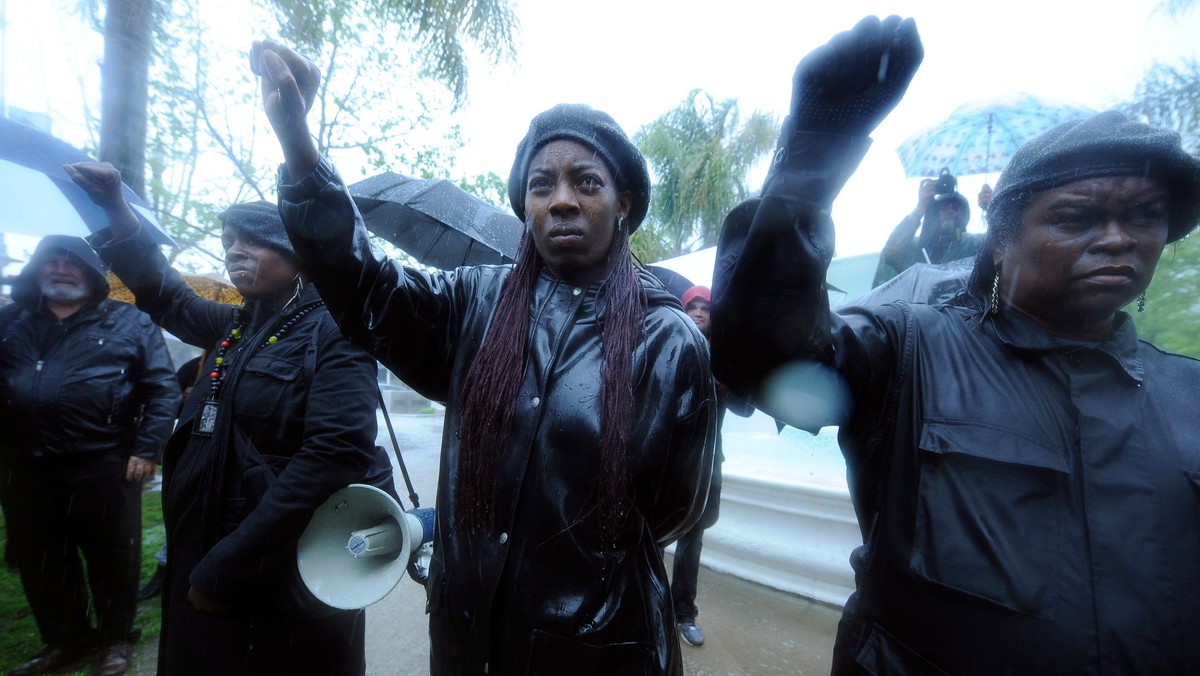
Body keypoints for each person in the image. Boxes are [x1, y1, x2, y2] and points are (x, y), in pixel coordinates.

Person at [712, 15, 1200, 675]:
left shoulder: (1188, 394)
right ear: (999, 239)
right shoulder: (913, 349)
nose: (1118, 239)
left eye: (1143, 215)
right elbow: (764, 362)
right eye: (1076, 216)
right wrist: (812, 156)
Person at [252, 39, 717, 674]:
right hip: (467, 638)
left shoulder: (667, 342)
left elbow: (675, 510)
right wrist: (299, 149)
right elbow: (365, 286)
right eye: (542, 184)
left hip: (597, 649)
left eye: (587, 182)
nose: (561, 200)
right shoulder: (474, 304)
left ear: (623, 203)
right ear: (524, 206)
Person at [64, 162, 393, 676]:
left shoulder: (334, 331)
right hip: (205, 546)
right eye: (227, 241)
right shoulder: (237, 326)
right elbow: (165, 295)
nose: (234, 250)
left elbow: (335, 454)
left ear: (298, 254)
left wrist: (229, 565)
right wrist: (114, 207)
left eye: (253, 241)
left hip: (276, 562)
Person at [0, 235, 180, 676]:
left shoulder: (129, 322)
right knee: (42, 560)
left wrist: (147, 447)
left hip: (103, 462)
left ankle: (115, 640)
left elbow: (163, 389)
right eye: (51, 260)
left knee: (113, 557)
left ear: (93, 274)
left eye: (73, 262)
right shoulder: (9, 320)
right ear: (37, 269)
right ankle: (67, 639)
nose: (61, 268)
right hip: (24, 464)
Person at [670, 285, 752, 648]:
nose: (700, 312)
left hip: (705, 466)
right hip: (667, 460)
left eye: (706, 308)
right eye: (694, 306)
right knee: (646, 533)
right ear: (684, 309)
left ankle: (683, 613)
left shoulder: (726, 359)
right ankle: (644, 602)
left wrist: (734, 372)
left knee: (693, 539)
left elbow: (746, 408)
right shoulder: (669, 347)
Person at [874, 171, 983, 286]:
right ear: (934, 213)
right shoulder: (919, 247)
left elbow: (998, 252)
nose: (950, 210)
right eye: (944, 206)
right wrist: (919, 209)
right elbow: (891, 253)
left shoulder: (974, 244)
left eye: (955, 207)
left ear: (963, 214)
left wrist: (992, 209)